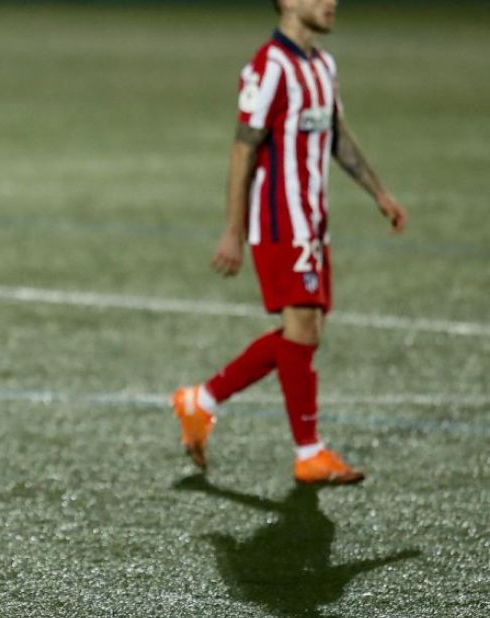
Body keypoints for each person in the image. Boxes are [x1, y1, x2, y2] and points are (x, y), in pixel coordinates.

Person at [173, 0, 407, 484]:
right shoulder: (269, 66)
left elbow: (336, 134)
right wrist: (233, 231)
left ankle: (201, 401)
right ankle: (309, 453)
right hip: (279, 221)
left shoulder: (322, 64)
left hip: (313, 223)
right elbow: (243, 147)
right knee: (301, 329)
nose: (331, 2)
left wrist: (379, 192)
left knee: (305, 334)